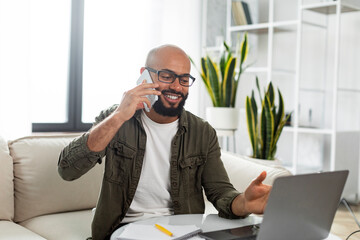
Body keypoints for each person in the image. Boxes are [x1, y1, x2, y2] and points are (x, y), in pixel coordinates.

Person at [58, 44, 271, 240]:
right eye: (167, 76)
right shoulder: (116, 119)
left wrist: (245, 203)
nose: (177, 87)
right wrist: (119, 116)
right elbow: (67, 169)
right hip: (122, 231)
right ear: (144, 76)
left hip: (184, 232)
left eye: (184, 79)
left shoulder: (202, 132)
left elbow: (221, 193)